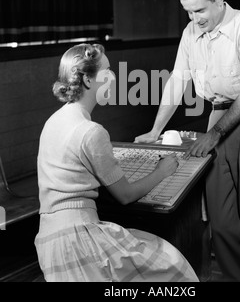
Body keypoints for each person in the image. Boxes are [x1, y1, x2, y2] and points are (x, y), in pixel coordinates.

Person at [135, 0, 240, 282]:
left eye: (200, 10)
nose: (195, 19)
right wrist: (155, 130)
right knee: (221, 218)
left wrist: (215, 133)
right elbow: (178, 80)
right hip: (217, 114)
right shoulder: (191, 34)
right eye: (188, 12)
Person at [34, 43, 199, 283]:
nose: (112, 76)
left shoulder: (53, 121)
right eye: (107, 70)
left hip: (49, 243)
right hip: (79, 242)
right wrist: (161, 171)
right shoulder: (91, 132)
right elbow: (125, 195)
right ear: (89, 80)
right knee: (172, 264)